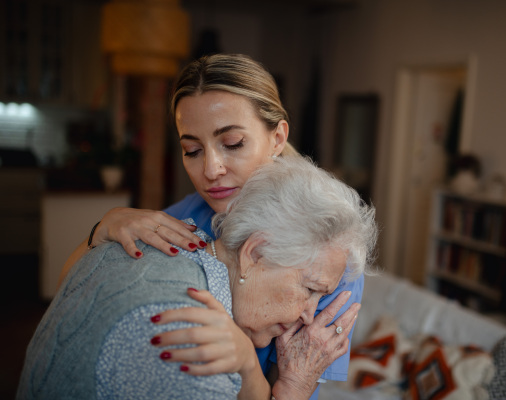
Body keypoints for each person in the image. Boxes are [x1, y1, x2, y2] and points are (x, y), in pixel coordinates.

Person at [57, 53, 366, 398]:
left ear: (278, 138)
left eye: (232, 144)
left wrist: (248, 362)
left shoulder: (327, 257)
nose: (211, 169)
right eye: (192, 149)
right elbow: (71, 291)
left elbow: (292, 390)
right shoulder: (187, 215)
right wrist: (103, 229)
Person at [18, 156, 377, 399]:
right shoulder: (194, 339)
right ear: (254, 254)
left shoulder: (153, 241)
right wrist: (294, 388)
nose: (309, 315)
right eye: (310, 289)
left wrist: (251, 367)